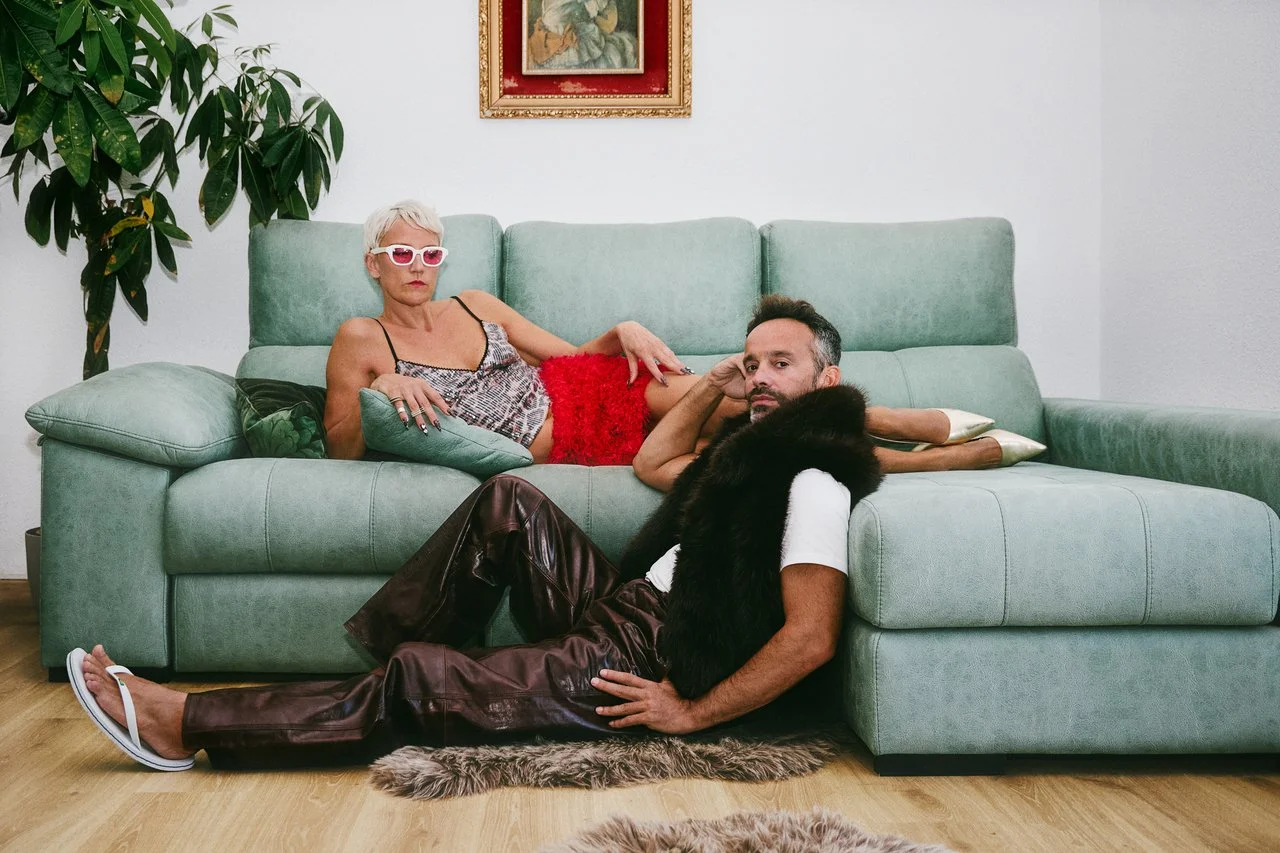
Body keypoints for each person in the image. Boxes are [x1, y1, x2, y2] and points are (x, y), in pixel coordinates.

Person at [67, 296, 887, 772]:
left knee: (426, 681)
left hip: (653, 657)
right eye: (753, 362)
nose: (761, 377)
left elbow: (811, 637)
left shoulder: (812, 477)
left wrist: (691, 712)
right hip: (629, 606)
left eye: (782, 363)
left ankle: (193, 725)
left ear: (829, 378)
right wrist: (717, 384)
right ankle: (408, 683)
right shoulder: (749, 455)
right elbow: (653, 461)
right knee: (509, 500)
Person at [324, 199, 741, 466]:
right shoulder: (360, 336)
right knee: (730, 445)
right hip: (565, 442)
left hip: (595, 394)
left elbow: (573, 360)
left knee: (735, 407)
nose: (418, 266)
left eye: (430, 254)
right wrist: (380, 387)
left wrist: (622, 330)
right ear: (373, 264)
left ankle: (802, 389)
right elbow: (340, 451)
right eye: (402, 253)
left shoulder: (475, 304)